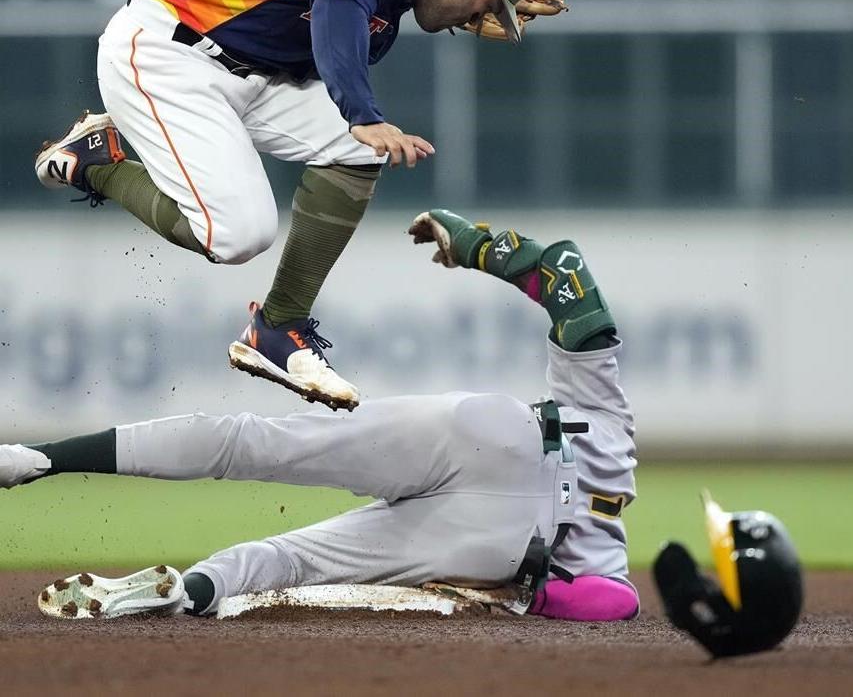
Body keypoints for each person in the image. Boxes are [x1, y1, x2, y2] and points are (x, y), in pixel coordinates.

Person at [34, 0, 543, 412]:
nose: (486, 16)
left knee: (358, 152)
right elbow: (336, 9)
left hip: (254, 67)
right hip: (168, 49)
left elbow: (342, 10)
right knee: (238, 235)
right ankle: (96, 162)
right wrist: (361, 113)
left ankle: (277, 329)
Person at [1, 210, 637, 621]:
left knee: (250, 443)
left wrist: (474, 245)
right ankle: (191, 592)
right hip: (499, 545)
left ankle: (37, 460)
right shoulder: (606, 553)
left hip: (498, 438)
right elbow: (612, 603)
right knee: (293, 561)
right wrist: (538, 593)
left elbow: (564, 273)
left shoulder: (614, 429)